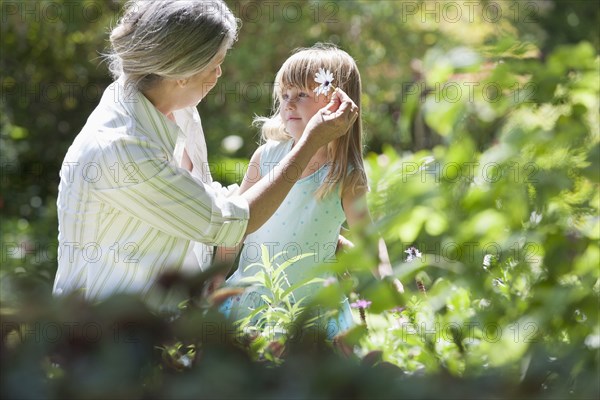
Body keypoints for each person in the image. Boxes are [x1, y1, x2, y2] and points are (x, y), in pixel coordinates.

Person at [52, 1, 358, 306]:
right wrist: (310, 143)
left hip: (165, 324)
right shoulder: (121, 147)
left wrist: (312, 232)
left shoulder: (180, 111)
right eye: (215, 64)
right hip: (105, 336)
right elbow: (226, 222)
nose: (220, 72)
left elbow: (200, 199)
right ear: (183, 73)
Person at [217, 44, 401, 338]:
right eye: (285, 95)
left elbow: (367, 234)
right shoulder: (265, 157)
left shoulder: (344, 174)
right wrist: (214, 278)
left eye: (302, 94)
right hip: (249, 301)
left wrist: (388, 278)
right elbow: (235, 226)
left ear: (336, 102)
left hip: (310, 314)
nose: (289, 104)